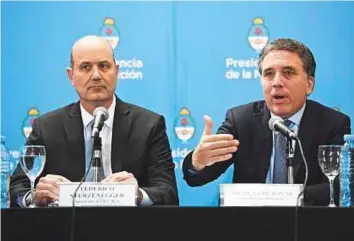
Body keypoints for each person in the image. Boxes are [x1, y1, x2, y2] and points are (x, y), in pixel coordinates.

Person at [10, 35, 179, 207]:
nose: (96, 75)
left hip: (128, 228)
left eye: (104, 66)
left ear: (117, 71)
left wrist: (138, 194)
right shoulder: (47, 127)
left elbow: (168, 192)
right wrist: (33, 196)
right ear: (71, 76)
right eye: (85, 67)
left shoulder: (149, 125)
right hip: (66, 229)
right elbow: (17, 189)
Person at [182, 38, 351, 206]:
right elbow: (197, 177)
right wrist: (197, 162)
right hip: (250, 225)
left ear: (309, 84)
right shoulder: (241, 120)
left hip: (307, 226)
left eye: (289, 72)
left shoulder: (333, 123)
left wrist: (285, 198)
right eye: (269, 74)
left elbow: (340, 187)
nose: (277, 82)